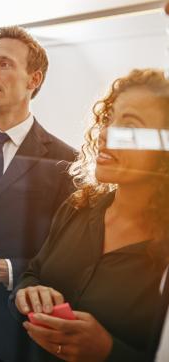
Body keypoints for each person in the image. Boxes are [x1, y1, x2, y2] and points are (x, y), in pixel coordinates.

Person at [13, 69, 169, 361]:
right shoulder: (77, 207)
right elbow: (33, 271)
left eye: (131, 125)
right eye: (109, 118)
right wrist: (28, 291)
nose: (106, 132)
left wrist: (108, 352)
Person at [0, 26, 76, 361]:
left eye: (4, 64)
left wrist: (7, 270)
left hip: (14, 335)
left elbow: (69, 259)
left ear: (33, 80)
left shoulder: (66, 161)